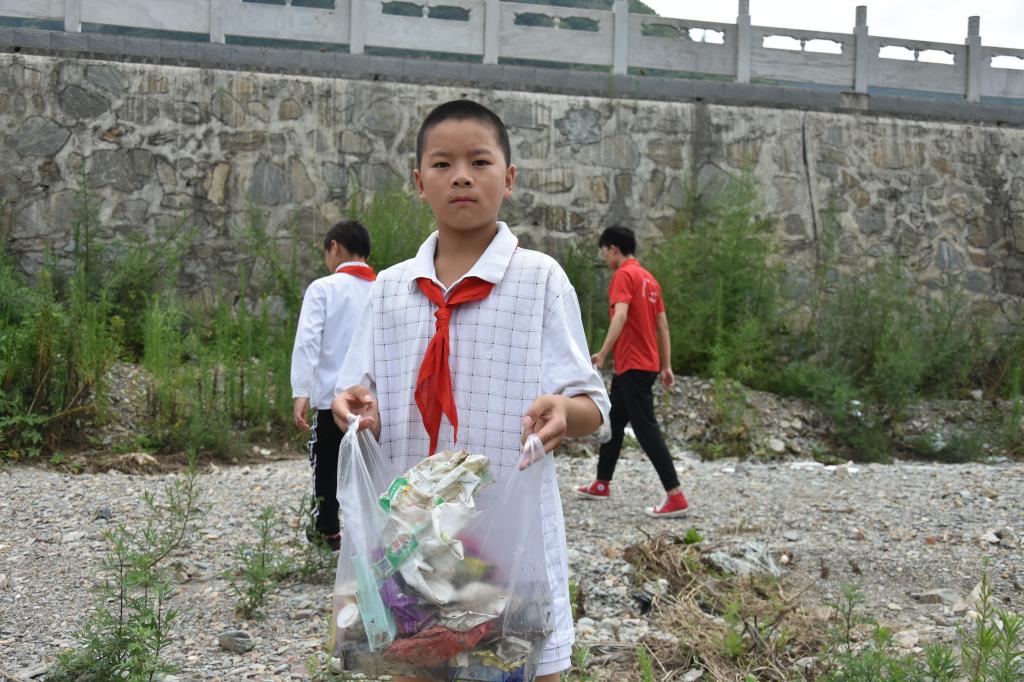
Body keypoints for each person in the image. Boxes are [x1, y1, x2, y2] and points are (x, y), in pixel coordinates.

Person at [330, 99, 609, 682]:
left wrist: (565, 411)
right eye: (442, 164)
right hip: (410, 548)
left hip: (511, 537)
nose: (461, 175)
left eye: (479, 161)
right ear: (418, 182)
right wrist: (355, 410)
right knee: (413, 667)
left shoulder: (539, 281)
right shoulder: (388, 291)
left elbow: (592, 406)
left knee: (518, 663)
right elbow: (360, 394)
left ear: (508, 179)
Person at [575, 225, 689, 518]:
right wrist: (666, 365)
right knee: (614, 421)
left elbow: (621, 315)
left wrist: (603, 352)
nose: (604, 257)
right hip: (644, 365)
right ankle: (602, 483)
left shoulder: (623, 275)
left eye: (604, 251)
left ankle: (675, 495)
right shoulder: (650, 280)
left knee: (645, 428)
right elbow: (662, 325)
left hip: (633, 364)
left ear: (613, 248)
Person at [290, 219, 376, 552]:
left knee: (326, 467)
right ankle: (373, 536)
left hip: (331, 400)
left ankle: (328, 532)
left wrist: (302, 390)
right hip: (373, 403)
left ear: (334, 247)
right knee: (371, 468)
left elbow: (308, 342)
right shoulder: (384, 286)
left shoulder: (324, 288)